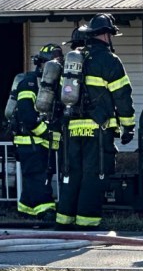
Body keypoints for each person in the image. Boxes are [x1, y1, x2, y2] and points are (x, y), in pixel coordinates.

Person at [56, 14, 135, 229]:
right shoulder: (109, 60)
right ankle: (87, 224)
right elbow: (122, 96)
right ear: (106, 35)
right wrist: (128, 126)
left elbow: (62, 95)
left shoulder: (75, 60)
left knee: (72, 173)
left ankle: (64, 221)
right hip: (97, 130)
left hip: (72, 128)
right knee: (94, 175)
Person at [13, 43, 63, 220]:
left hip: (43, 142)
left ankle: (25, 208)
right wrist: (44, 132)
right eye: (52, 63)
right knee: (38, 177)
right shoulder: (29, 83)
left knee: (36, 176)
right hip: (30, 141)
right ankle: (46, 210)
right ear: (41, 63)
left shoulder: (52, 85)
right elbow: (27, 115)